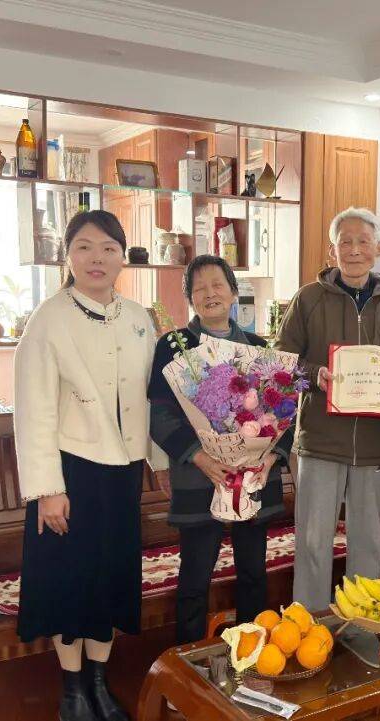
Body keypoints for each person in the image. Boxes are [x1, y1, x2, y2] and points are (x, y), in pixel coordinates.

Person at [14, 210, 154, 721]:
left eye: (109, 248)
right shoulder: (48, 318)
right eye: (85, 247)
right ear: (68, 255)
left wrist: (160, 462)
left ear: (122, 257)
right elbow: (33, 408)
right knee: (69, 581)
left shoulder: (138, 318)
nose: (97, 258)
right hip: (70, 473)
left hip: (123, 471)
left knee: (111, 578)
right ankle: (72, 689)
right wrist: (48, 488)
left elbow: (154, 394)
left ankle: (98, 681)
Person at [148, 254, 294, 644]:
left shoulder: (260, 349)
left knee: (253, 574)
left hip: (254, 478)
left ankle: (252, 656)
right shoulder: (173, 348)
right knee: (195, 578)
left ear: (232, 292)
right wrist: (201, 457)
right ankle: (188, 662)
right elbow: (160, 416)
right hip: (200, 477)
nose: (209, 293)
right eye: (199, 288)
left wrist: (269, 458)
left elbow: (285, 412)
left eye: (217, 285)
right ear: (190, 299)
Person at [275, 206, 380, 611]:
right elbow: (281, 364)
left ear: (378, 248)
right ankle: (309, 628)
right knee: (313, 542)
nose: (354, 250)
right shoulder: (308, 299)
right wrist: (315, 374)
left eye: (363, 241)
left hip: (374, 442)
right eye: (345, 242)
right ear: (331, 250)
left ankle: (362, 634)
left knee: (368, 543)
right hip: (320, 441)